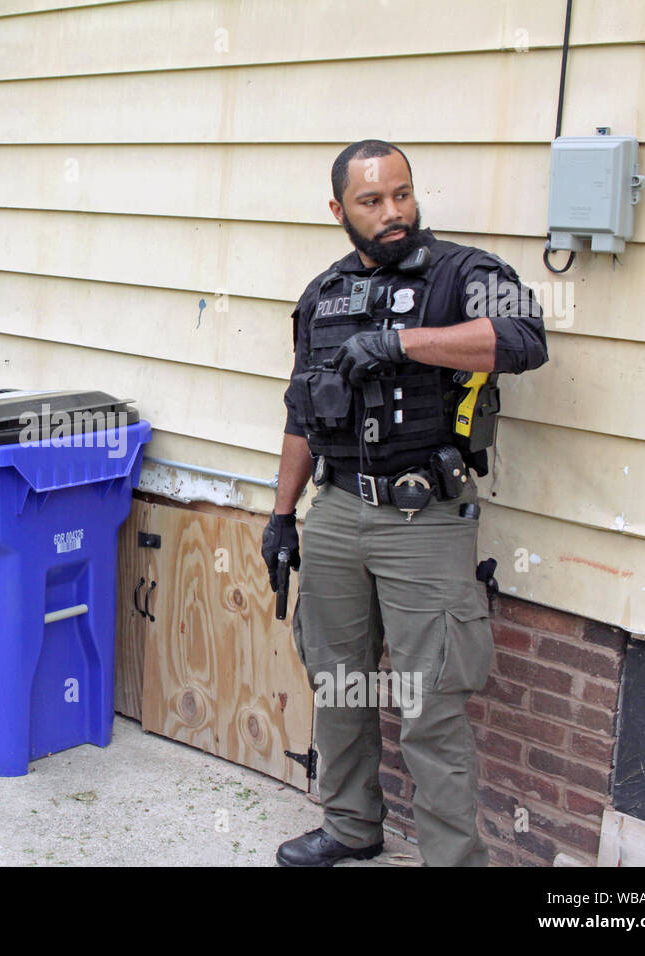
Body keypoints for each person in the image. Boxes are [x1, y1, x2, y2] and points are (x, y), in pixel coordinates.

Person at [264, 140, 548, 867]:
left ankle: (453, 860)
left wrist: (403, 343)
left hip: (424, 520)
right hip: (335, 513)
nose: (393, 214)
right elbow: (301, 411)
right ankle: (352, 825)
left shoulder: (461, 272)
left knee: (430, 704)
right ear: (339, 211)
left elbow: (523, 338)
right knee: (338, 680)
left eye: (402, 194)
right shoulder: (322, 294)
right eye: (371, 201)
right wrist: (280, 515)